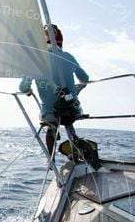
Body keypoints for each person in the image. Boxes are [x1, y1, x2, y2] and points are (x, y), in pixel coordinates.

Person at [19, 24, 89, 155]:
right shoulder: (68, 56)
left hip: (50, 113)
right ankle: (76, 145)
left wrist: (28, 91)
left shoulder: (35, 60)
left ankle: (51, 160)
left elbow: (23, 87)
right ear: (60, 42)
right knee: (68, 116)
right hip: (72, 110)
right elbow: (85, 78)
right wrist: (76, 89)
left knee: (50, 121)